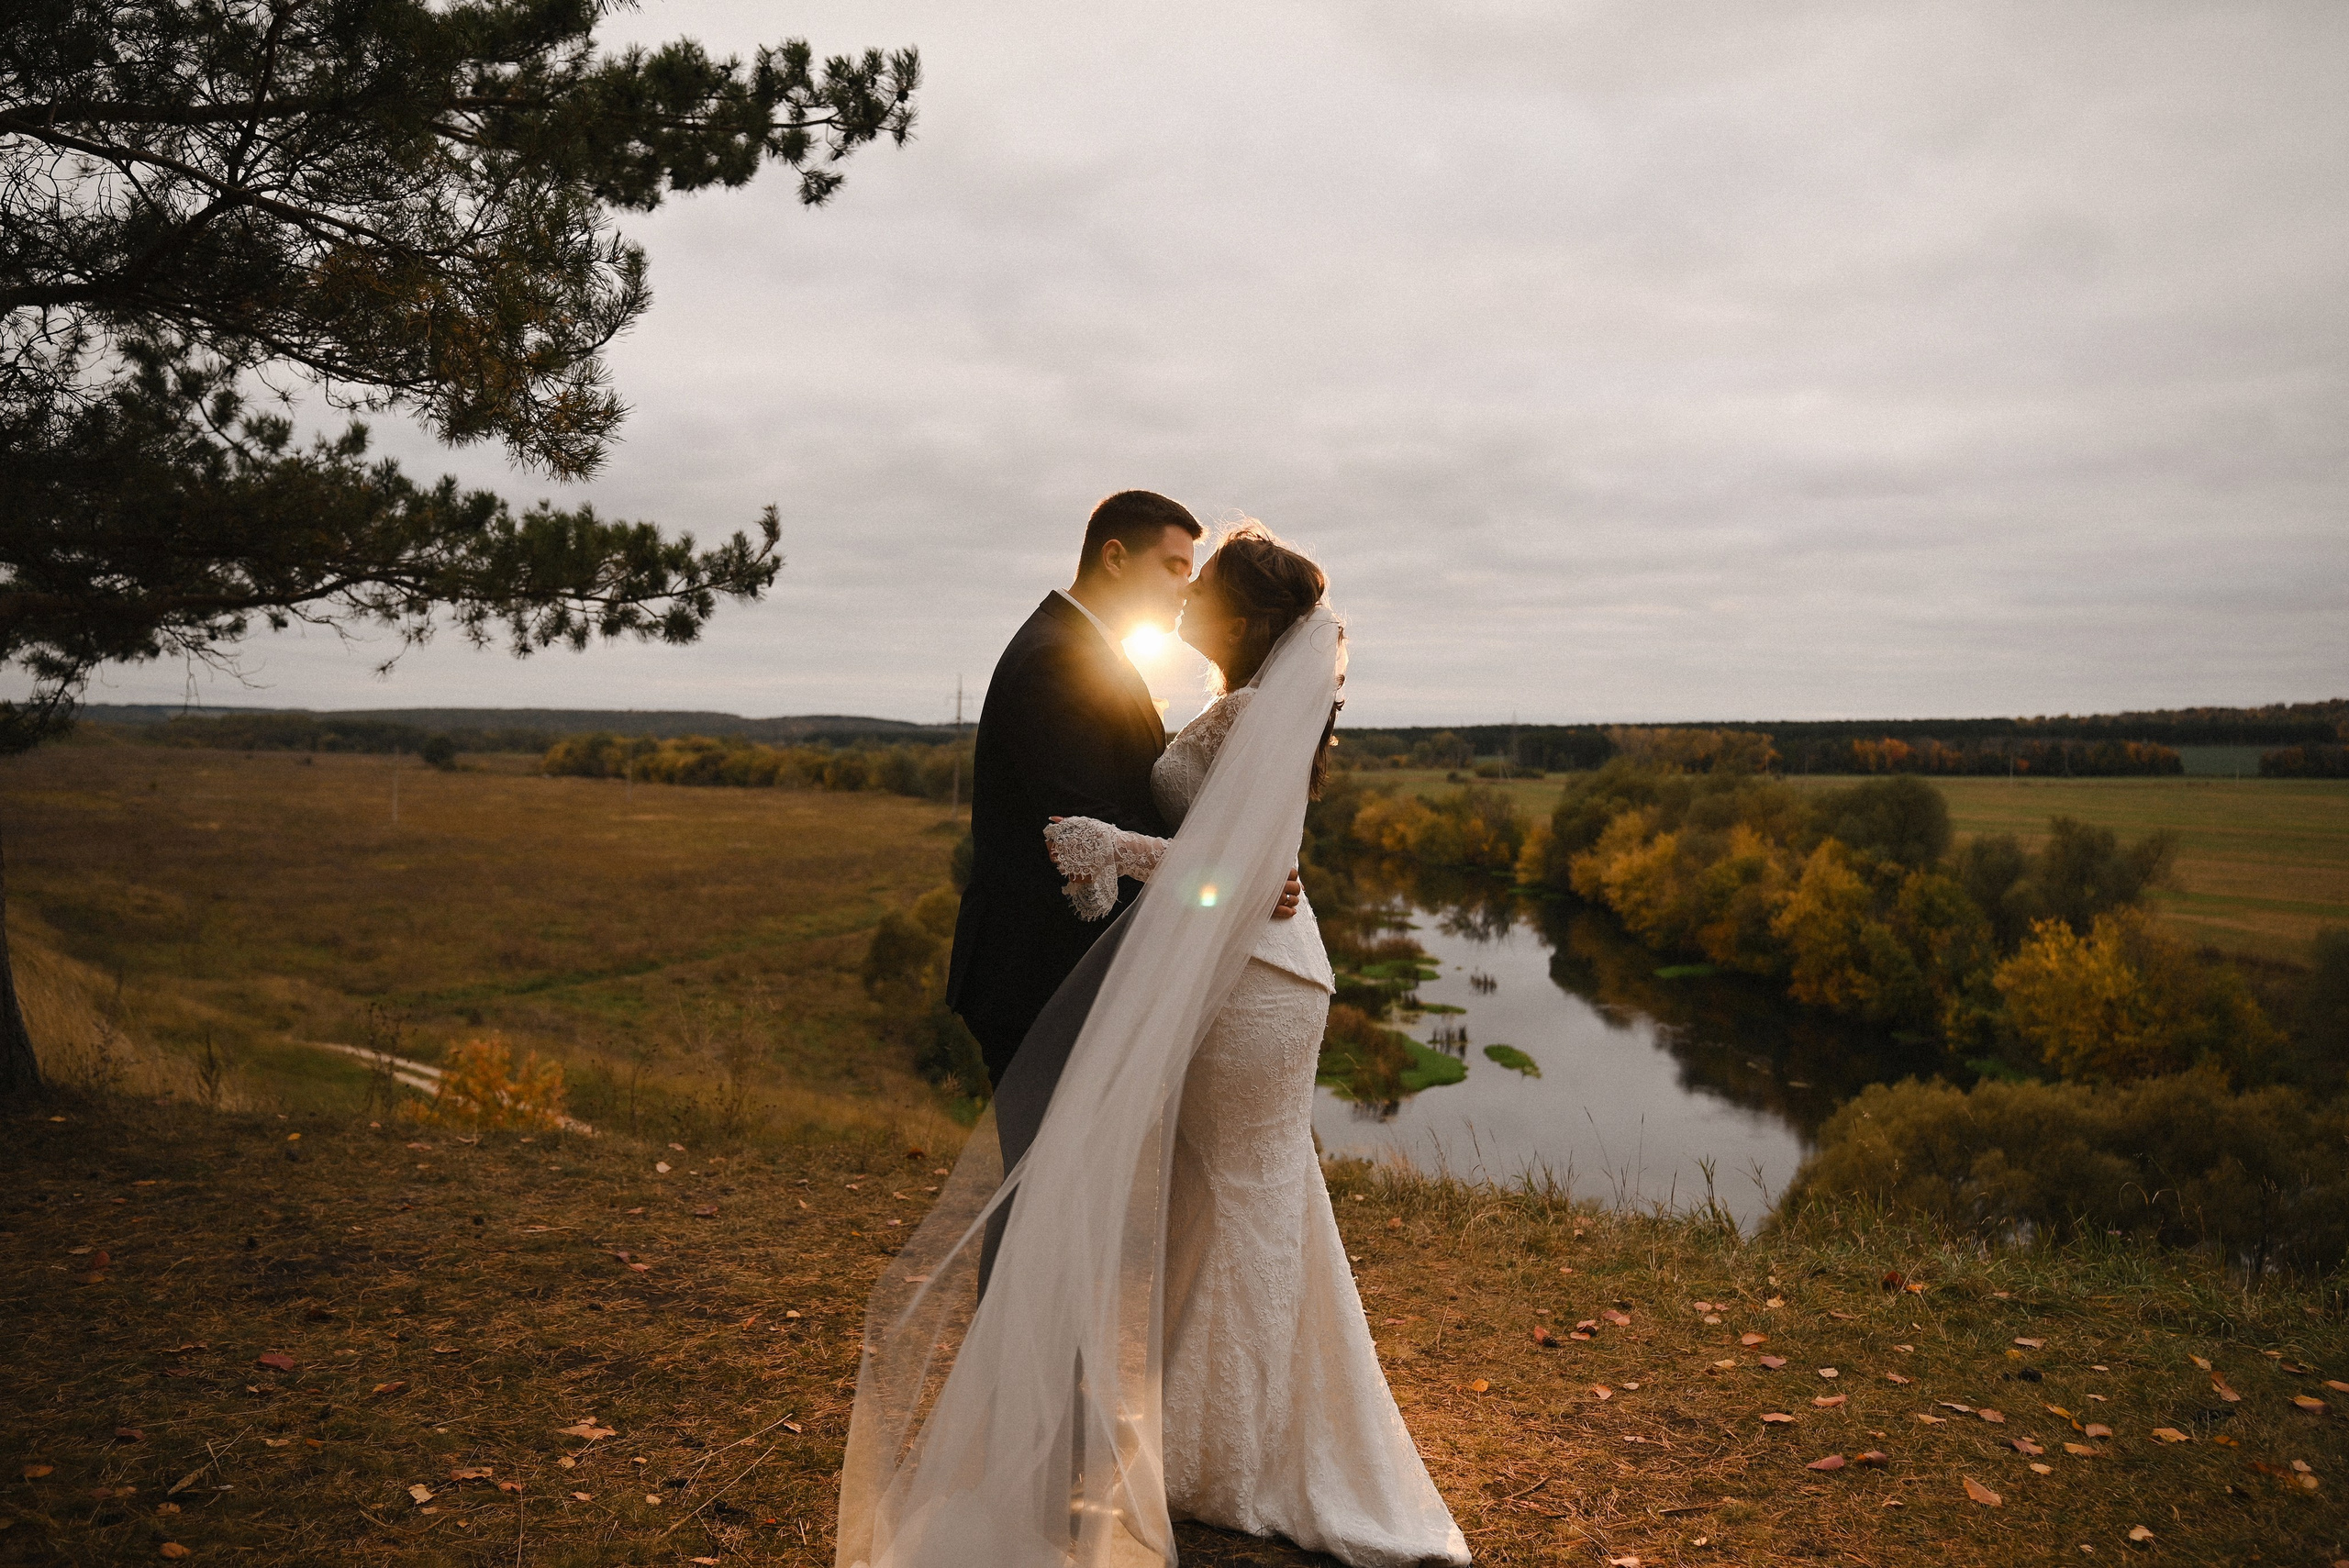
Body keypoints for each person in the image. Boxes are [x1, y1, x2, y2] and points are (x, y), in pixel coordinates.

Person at [839, 520, 1468, 1568]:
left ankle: (1252, 1453)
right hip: (1248, 961)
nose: (1183, 598)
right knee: (1235, 1196)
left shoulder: (1254, 709)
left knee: (1247, 1193)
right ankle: (1221, 1442)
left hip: (1258, 979)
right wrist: (1205, 864)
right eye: (1175, 571)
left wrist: (1114, 847)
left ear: (1243, 614)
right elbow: (1231, 850)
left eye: (1200, 581)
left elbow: (1234, 852)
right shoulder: (1234, 703)